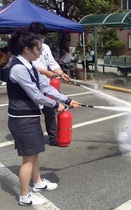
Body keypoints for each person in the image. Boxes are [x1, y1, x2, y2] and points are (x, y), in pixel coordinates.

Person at [6, 30, 81, 206]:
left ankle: (38, 183)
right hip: (22, 119)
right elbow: (36, 95)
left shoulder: (30, 66)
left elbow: (46, 87)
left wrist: (67, 99)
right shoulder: (18, 68)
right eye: (38, 49)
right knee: (28, 159)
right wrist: (57, 105)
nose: (40, 52)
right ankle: (24, 197)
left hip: (30, 117)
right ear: (26, 49)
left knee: (34, 154)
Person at [29, 21, 71, 146]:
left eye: (43, 37)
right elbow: (28, 66)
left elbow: (52, 63)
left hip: (46, 87)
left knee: (50, 113)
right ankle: (35, 141)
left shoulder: (45, 48)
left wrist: (61, 73)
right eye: (39, 37)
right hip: (32, 87)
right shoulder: (25, 48)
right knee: (34, 115)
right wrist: (45, 72)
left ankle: (53, 139)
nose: (41, 40)